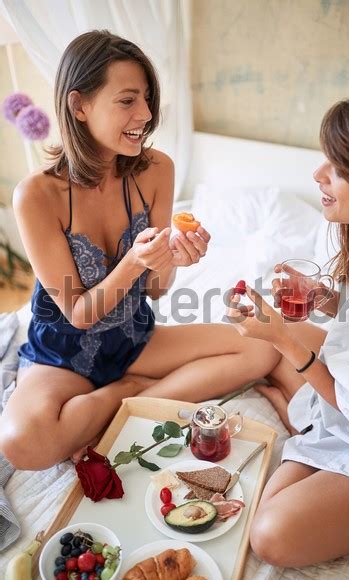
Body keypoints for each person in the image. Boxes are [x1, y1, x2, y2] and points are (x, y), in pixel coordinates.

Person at [0, 30, 275, 471]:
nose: (146, 114)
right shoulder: (36, 195)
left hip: (134, 339)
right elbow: (78, 313)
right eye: (128, 100)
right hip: (64, 355)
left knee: (260, 348)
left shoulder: (156, 169)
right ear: (79, 105)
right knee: (22, 443)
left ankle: (128, 396)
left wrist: (174, 261)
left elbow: (157, 289)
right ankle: (127, 393)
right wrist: (134, 262)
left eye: (147, 98)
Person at [227, 86, 349, 567]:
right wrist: (323, 296)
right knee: (260, 508)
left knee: (271, 537)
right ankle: (289, 406)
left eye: (339, 169)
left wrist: (280, 336)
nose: (318, 175)